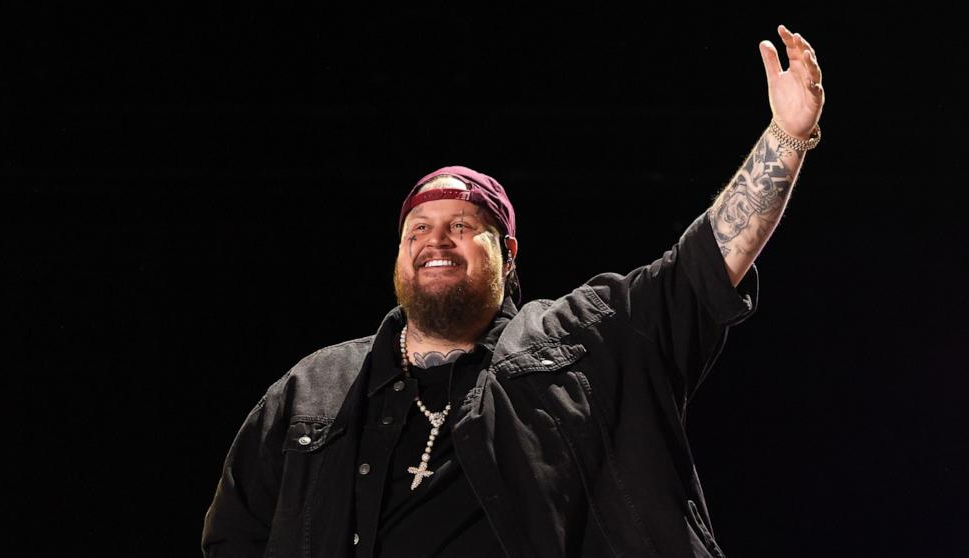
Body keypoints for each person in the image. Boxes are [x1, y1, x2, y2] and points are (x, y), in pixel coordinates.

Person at [202, 24, 825, 558]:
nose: (435, 240)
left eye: (462, 226)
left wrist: (787, 137)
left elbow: (700, 270)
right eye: (418, 228)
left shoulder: (582, 341)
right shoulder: (313, 389)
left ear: (508, 253)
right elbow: (234, 537)